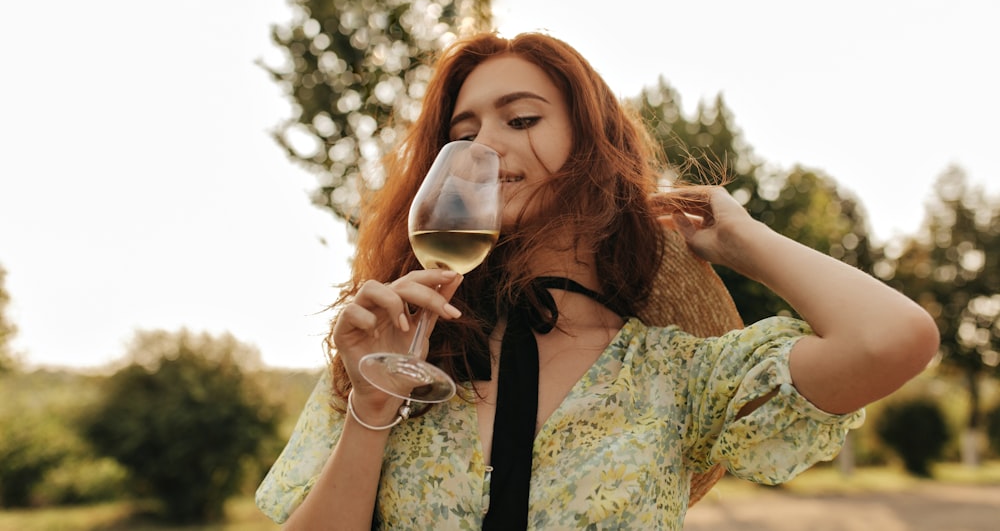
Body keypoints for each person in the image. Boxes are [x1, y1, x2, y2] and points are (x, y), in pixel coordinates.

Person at [255, 31, 939, 530]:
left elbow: (893, 337)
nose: (485, 144)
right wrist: (370, 410)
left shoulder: (679, 376)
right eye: (462, 133)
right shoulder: (397, 353)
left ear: (591, 144)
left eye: (521, 119)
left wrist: (744, 240)